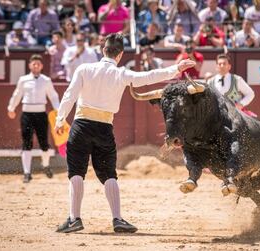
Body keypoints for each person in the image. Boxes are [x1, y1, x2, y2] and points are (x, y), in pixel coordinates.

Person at [54, 33, 195, 233]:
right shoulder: (121, 74)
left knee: (76, 171)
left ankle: (74, 218)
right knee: (109, 174)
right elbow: (149, 76)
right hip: (104, 127)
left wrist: (60, 119)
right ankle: (117, 219)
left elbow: (70, 95)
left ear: (103, 50)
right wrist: (176, 69)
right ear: (119, 55)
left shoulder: (84, 69)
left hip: (81, 125)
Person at [7, 54, 60, 183]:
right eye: (34, 64)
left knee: (44, 143)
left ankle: (46, 165)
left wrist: (58, 110)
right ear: (30, 65)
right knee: (26, 143)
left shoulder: (46, 80)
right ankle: (27, 173)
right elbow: (17, 94)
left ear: (41, 66)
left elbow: (53, 96)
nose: (36, 66)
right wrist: (11, 108)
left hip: (41, 114)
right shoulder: (23, 80)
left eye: (38, 64)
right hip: (27, 114)